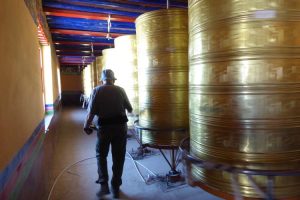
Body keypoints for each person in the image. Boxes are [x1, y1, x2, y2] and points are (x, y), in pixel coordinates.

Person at [84, 69, 133, 198]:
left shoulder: (96, 90)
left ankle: (104, 185)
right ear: (113, 79)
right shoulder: (121, 90)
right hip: (120, 128)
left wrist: (86, 125)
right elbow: (129, 108)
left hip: (104, 129)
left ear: (102, 79)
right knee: (119, 157)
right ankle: (115, 187)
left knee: (101, 155)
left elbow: (91, 112)